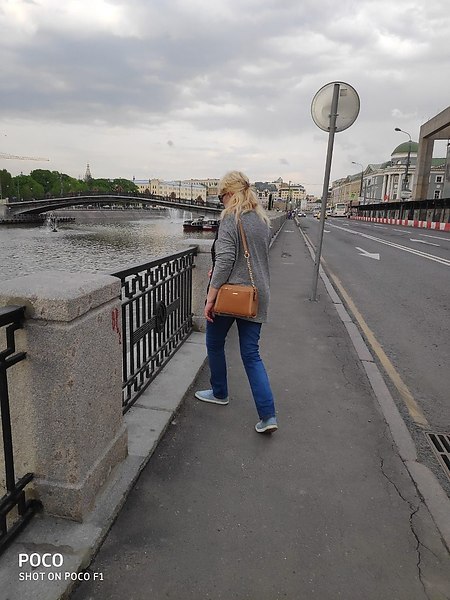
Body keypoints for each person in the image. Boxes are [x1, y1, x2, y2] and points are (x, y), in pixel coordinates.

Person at [194, 171, 277, 433]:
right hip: (257, 294)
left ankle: (220, 392)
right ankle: (268, 416)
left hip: (231, 295)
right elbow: (251, 257)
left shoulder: (232, 217)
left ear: (230, 194)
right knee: (251, 354)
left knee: (214, 342)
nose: (221, 201)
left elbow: (227, 258)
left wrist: (210, 298)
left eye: (221, 196)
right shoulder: (262, 219)